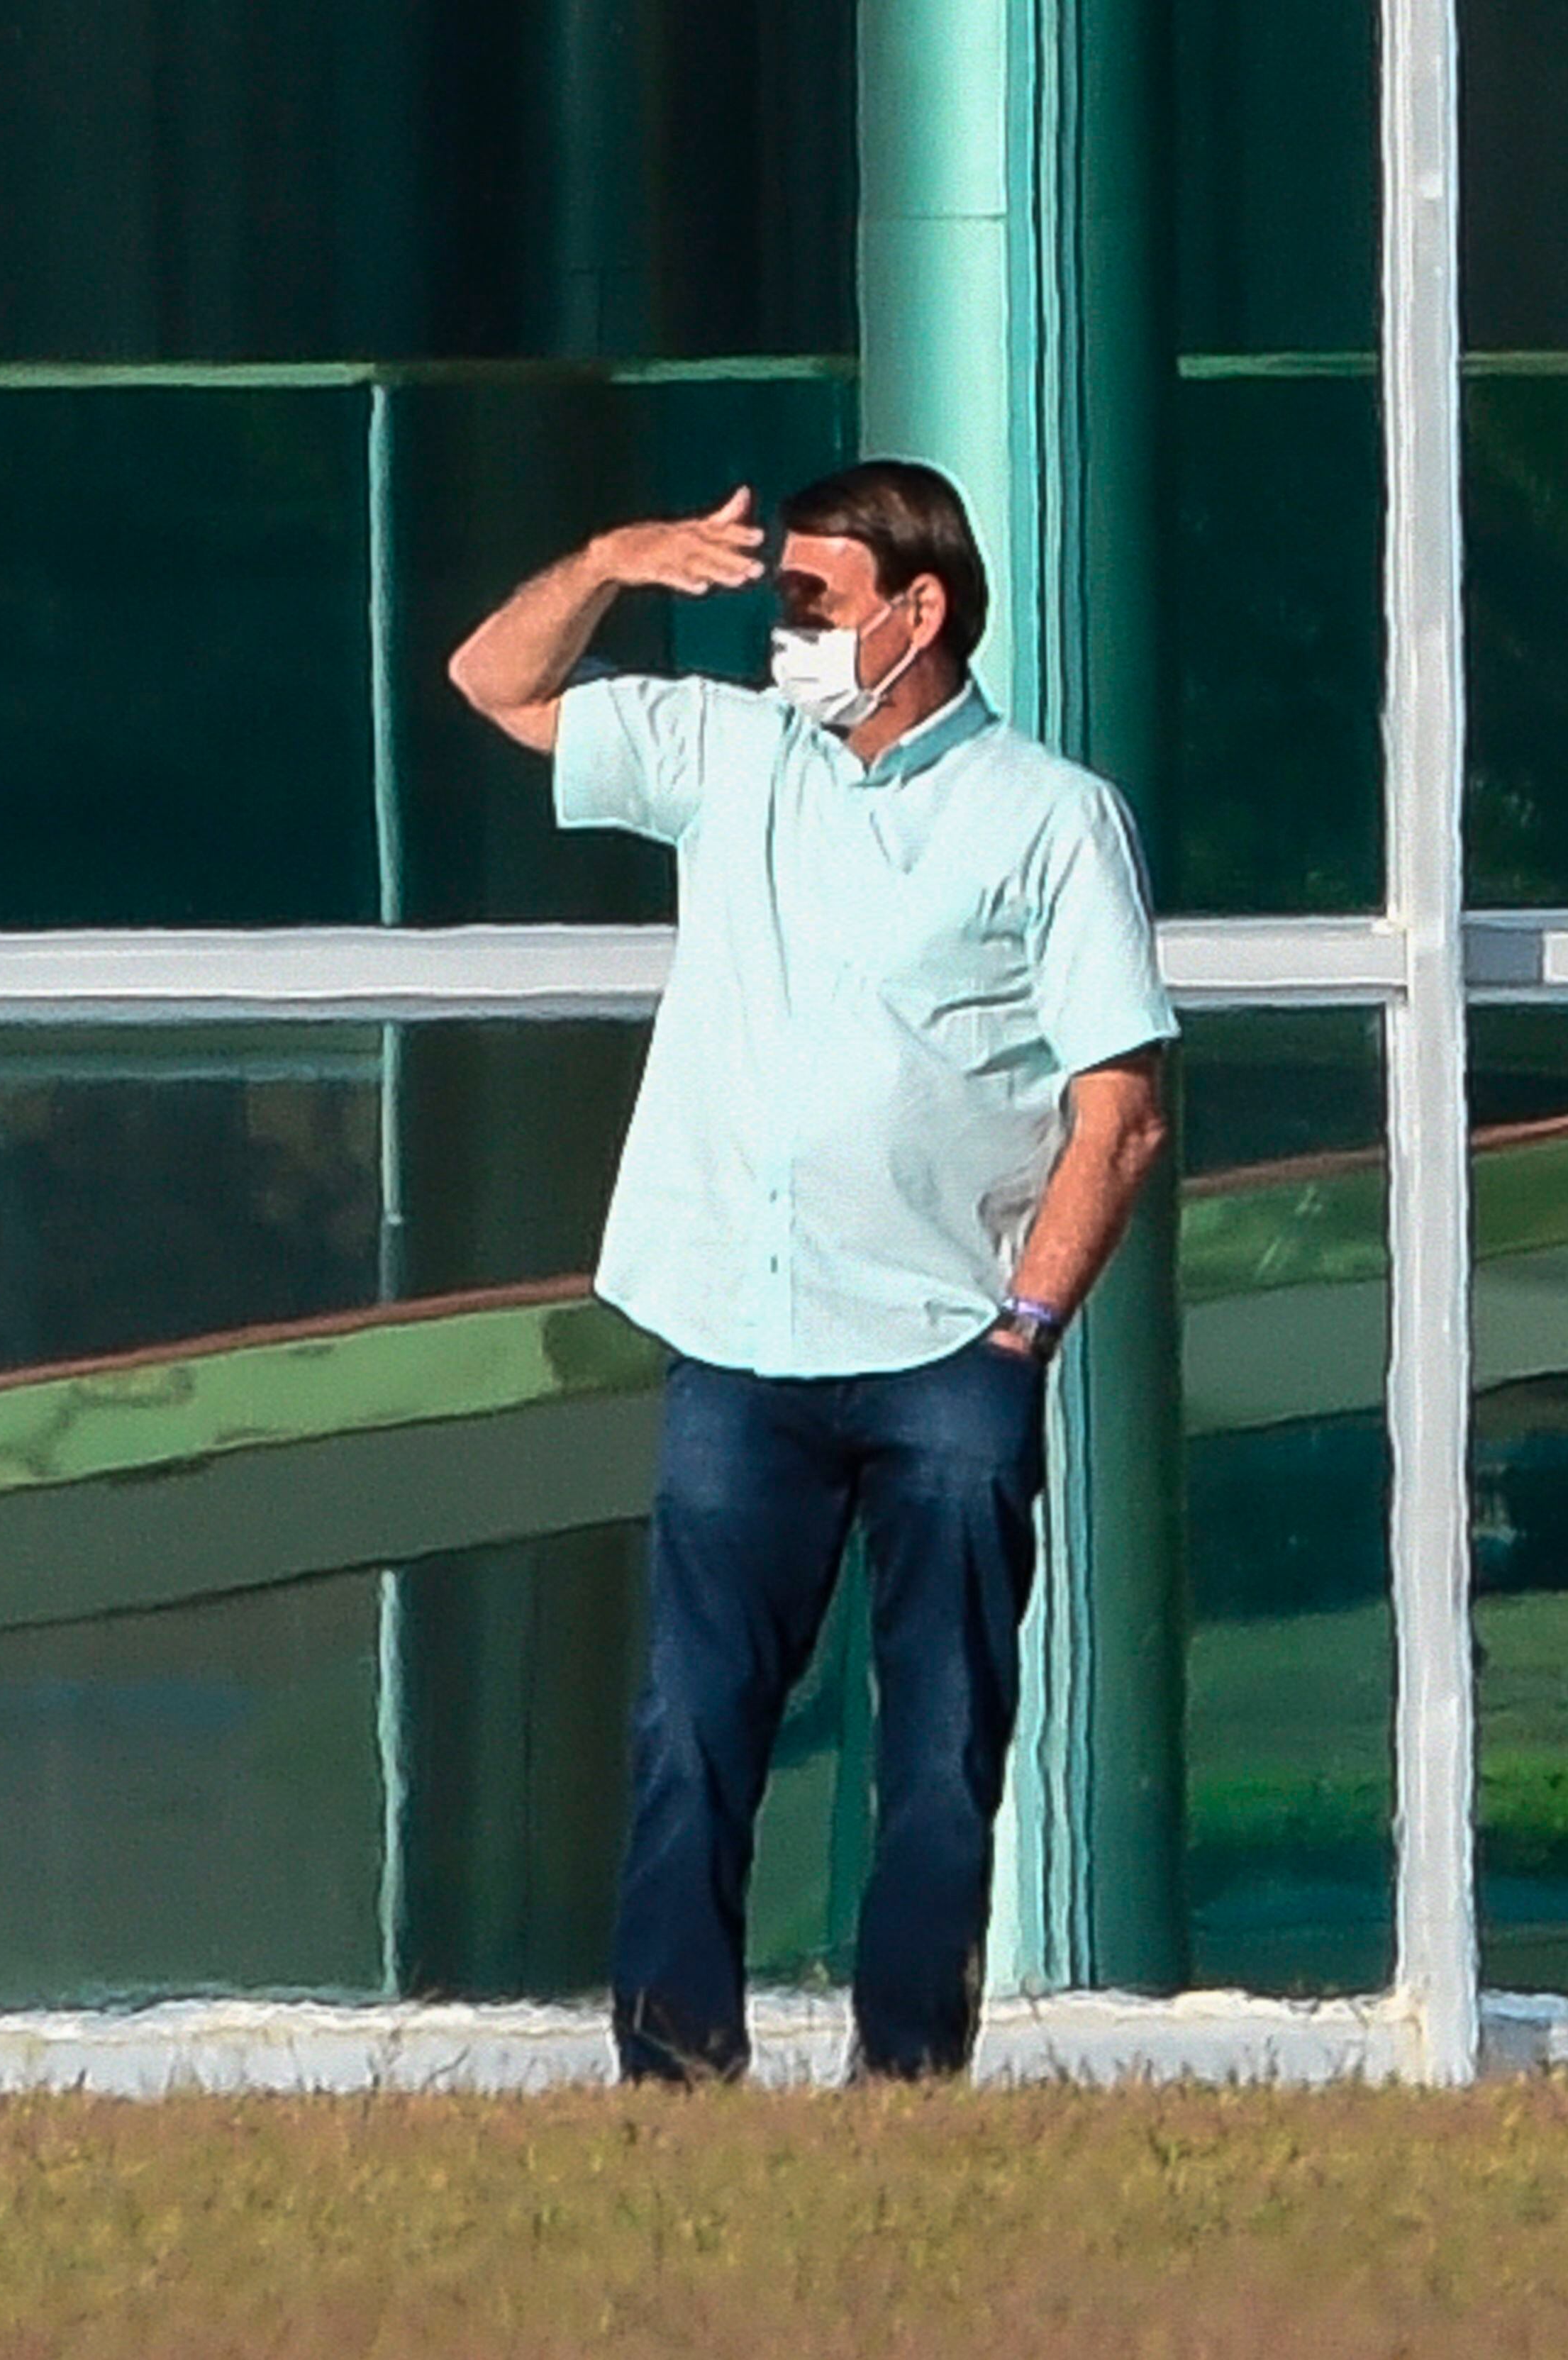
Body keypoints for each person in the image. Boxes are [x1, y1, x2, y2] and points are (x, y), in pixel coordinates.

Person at [445, 460, 1175, 2083]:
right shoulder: (732, 754)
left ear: (916, 611)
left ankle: (905, 2076)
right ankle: (673, 2077)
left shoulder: (1048, 817)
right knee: (690, 1728)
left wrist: (1023, 1329)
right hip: (738, 1333)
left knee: (938, 1743)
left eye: (811, 600)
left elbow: (1118, 1108)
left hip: (945, 1349)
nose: (783, 630)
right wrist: (611, 556)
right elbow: (495, 680)